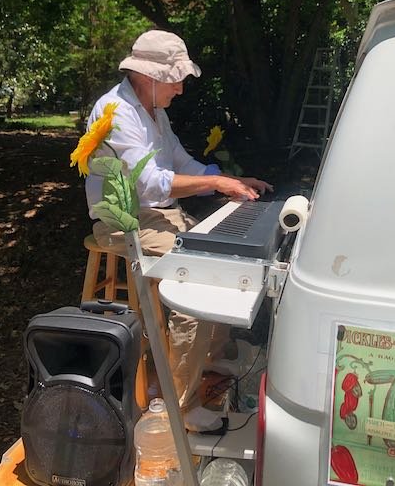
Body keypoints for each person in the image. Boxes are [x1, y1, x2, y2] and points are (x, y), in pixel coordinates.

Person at [84, 29, 273, 430]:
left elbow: (181, 162)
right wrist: (217, 184)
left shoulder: (155, 110)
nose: (182, 89)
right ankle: (182, 408)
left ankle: (211, 358)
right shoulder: (114, 113)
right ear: (151, 77)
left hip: (159, 215)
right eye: (177, 79)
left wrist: (229, 179)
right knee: (196, 283)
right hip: (123, 221)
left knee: (222, 253)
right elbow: (151, 183)